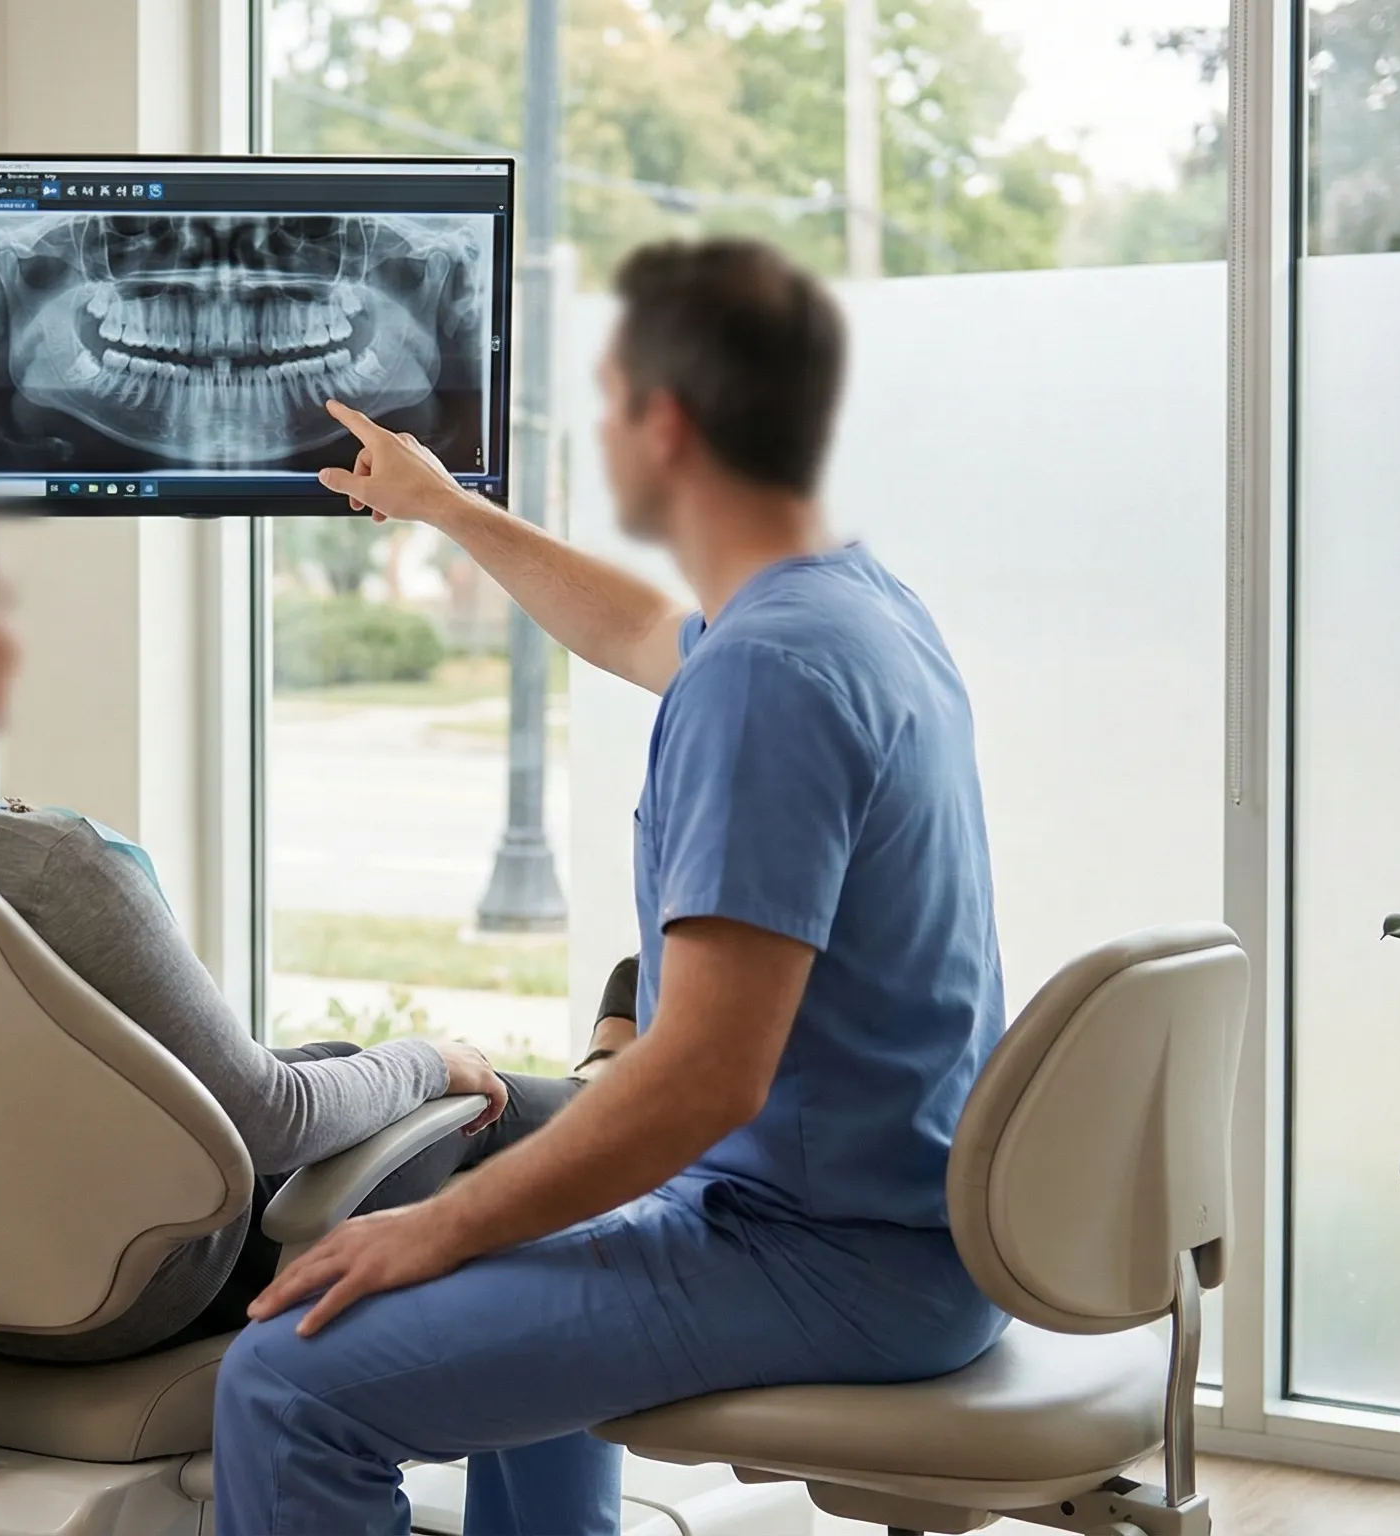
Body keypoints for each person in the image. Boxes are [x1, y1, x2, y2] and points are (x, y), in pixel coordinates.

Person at [210, 236, 1011, 1534]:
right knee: (512, 1156)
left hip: (825, 1256)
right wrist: (444, 508)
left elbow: (702, 1078)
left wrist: (445, 1232)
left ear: (669, 425)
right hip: (900, 1225)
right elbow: (641, 629)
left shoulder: (770, 679)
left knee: (287, 1383)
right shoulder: (848, 609)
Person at [0, 472, 589, 1363]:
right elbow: (269, 1117)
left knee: (348, 1066)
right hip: (131, 1293)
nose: (13, 645)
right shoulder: (46, 871)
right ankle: (621, 1107)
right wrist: (427, 1061)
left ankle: (600, 1096)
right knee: (505, 1124)